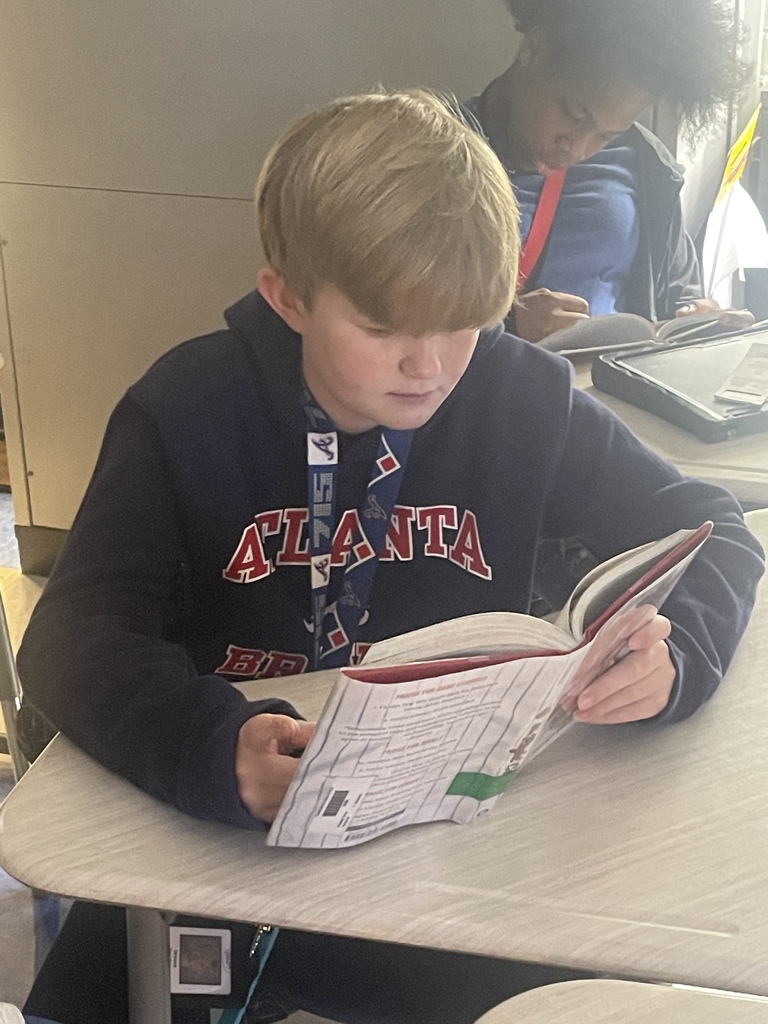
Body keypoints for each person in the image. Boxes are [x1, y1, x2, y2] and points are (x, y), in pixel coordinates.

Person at [17, 90, 765, 1024]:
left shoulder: (518, 395)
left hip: (452, 841)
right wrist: (212, 745)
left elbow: (713, 527)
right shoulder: (185, 408)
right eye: (383, 330)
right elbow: (69, 635)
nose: (431, 366)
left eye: (464, 323)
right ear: (286, 297)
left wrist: (678, 655)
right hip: (221, 826)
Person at [465, 0, 754, 344]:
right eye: (574, 114)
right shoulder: (432, 153)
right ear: (534, 48)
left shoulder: (647, 167)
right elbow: (391, 314)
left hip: (611, 389)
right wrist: (507, 326)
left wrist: (699, 320)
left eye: (606, 135)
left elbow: (678, 294)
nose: (578, 149)